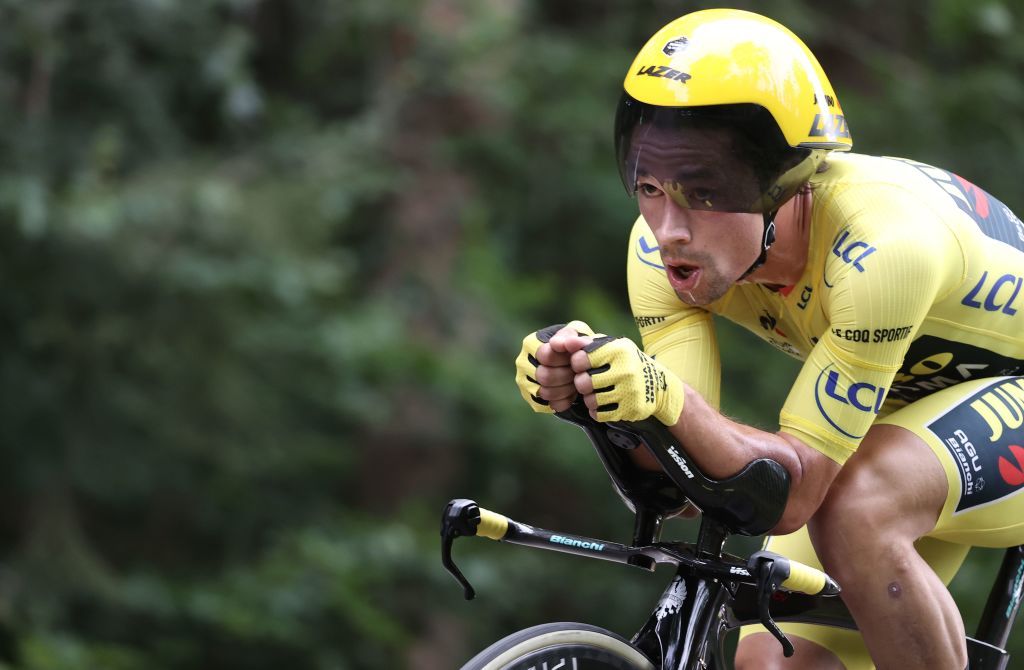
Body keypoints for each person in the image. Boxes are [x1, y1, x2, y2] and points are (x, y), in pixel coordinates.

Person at [514, 8, 1024, 670]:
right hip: (904, 410)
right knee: (773, 662)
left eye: (701, 192)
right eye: (647, 186)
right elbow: (695, 474)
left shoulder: (883, 250)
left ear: (782, 186)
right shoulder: (660, 256)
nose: (667, 228)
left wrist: (667, 401)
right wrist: (599, 400)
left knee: (855, 511)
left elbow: (795, 494)